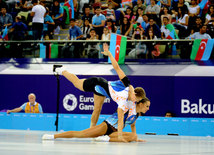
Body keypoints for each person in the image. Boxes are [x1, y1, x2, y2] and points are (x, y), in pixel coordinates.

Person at [52, 43, 146, 142]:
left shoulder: (127, 99)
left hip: (102, 92)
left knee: (97, 109)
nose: (134, 102)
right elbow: (117, 68)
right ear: (134, 94)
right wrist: (109, 55)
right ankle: (61, 70)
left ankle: (91, 131)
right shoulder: (126, 83)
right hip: (97, 83)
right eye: (136, 99)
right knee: (76, 83)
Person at [42, 97, 150, 142]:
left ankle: (105, 139)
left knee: (133, 136)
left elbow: (133, 125)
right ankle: (53, 136)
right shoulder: (130, 105)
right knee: (80, 134)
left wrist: (135, 138)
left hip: (115, 132)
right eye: (147, 106)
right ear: (140, 104)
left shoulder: (137, 115)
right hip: (107, 126)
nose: (148, 108)